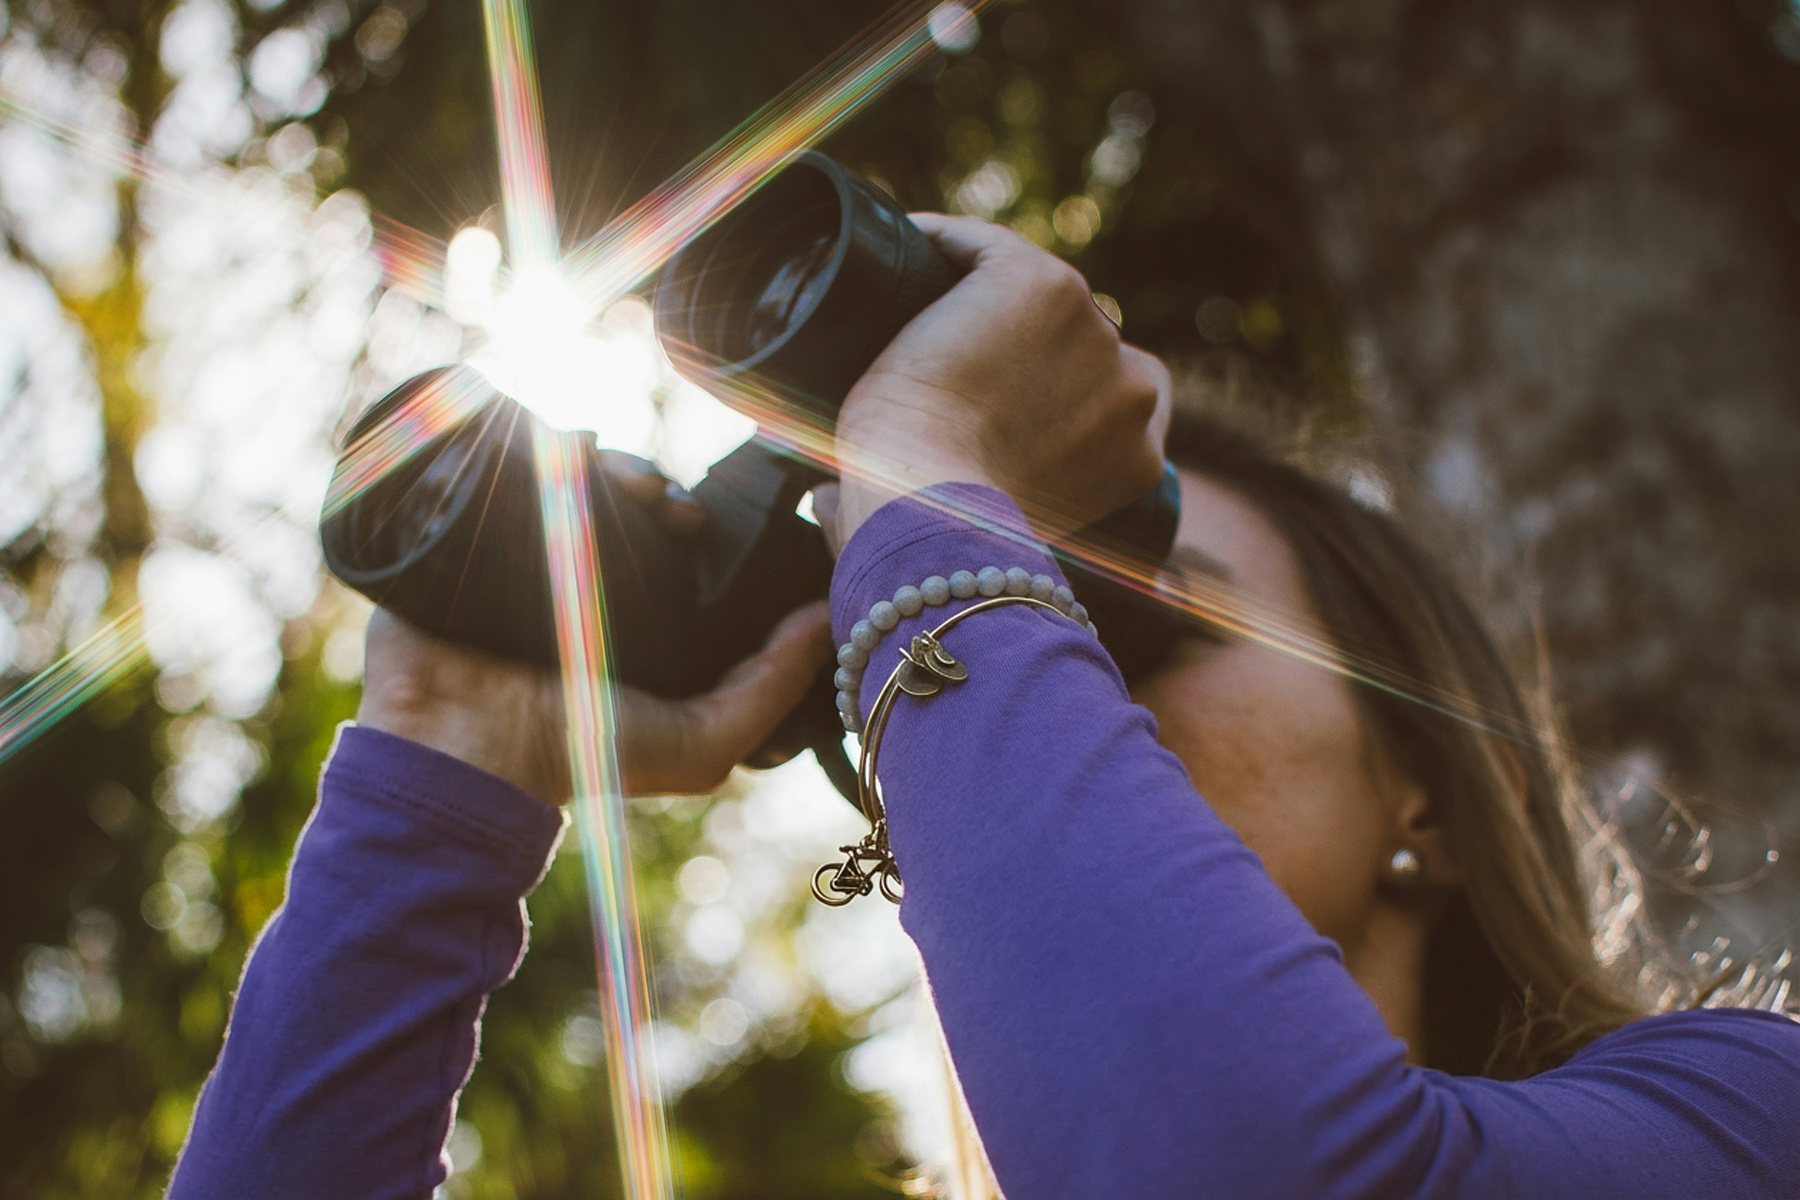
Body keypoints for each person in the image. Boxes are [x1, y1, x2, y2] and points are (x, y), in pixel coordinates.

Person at [168, 216, 1800, 1199]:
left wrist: (933, 479)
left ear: (1431, 795)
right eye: (1033, 629)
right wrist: (445, 778)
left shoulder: (1742, 1121)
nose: (1060, 680)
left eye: (1126, 623)